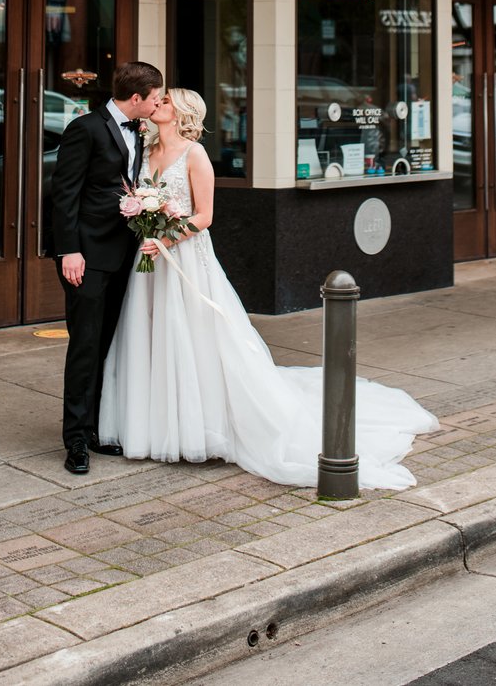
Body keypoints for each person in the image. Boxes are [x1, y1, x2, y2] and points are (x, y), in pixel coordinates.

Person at [100, 88, 438, 490]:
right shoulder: (146, 150)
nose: (159, 104)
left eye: (168, 101)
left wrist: (166, 240)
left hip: (185, 258)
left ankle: (200, 427)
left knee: (194, 337)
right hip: (152, 260)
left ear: (183, 112)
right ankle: (152, 424)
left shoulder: (195, 155)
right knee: (150, 335)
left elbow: (205, 216)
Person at [50, 60, 164, 474]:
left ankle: (96, 428)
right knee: (84, 346)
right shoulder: (85, 129)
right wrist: (68, 251)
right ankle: (75, 440)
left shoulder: (139, 129)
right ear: (136, 98)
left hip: (123, 254)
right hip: (86, 256)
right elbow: (63, 194)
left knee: (105, 346)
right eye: (154, 99)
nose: (157, 105)